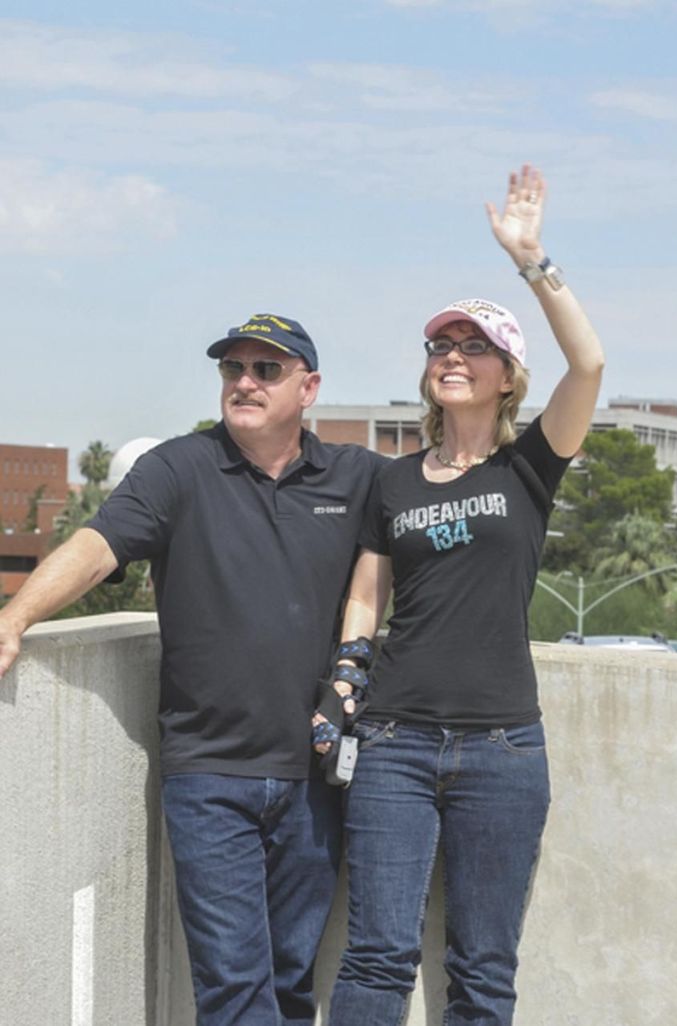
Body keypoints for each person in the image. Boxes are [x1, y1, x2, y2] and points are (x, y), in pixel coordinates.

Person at [0, 312, 384, 1026]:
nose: (244, 382)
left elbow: (440, 520)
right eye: (232, 369)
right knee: (235, 990)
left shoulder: (356, 476)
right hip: (209, 776)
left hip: (316, 777)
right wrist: (14, 617)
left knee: (291, 984)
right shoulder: (179, 468)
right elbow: (96, 547)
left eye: (266, 370)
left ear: (310, 387)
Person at [313, 165, 605, 1026]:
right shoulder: (392, 482)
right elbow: (367, 599)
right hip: (395, 741)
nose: (452, 356)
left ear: (508, 375)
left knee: (482, 969)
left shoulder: (531, 466)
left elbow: (589, 361)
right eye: (442, 345)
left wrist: (532, 259)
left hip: (504, 750)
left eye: (474, 346)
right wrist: (343, 679)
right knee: (376, 958)